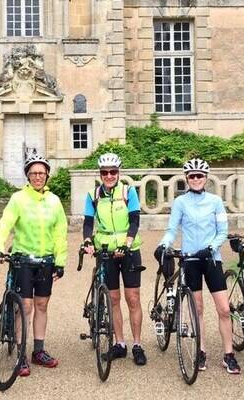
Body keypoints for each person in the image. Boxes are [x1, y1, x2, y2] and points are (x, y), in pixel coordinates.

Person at [155, 159, 240, 374]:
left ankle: (229, 354)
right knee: (198, 308)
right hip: (190, 260)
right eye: (191, 176)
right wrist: (163, 245)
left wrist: (211, 247)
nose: (195, 179)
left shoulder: (215, 201)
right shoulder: (180, 202)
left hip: (211, 259)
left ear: (206, 178)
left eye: (199, 176)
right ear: (187, 179)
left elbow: (222, 231)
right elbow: (172, 229)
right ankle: (201, 350)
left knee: (223, 308)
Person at [0, 150, 68, 377]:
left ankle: (39, 350)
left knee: (42, 305)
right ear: (27, 176)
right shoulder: (18, 199)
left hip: (46, 261)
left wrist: (60, 261)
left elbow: (60, 233)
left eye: (41, 173)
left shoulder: (54, 201)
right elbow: (4, 225)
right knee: (25, 307)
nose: (37, 177)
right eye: (33, 173)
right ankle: (21, 353)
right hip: (23, 259)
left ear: (47, 176)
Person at [81, 152, 147, 365]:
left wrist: (127, 243)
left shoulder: (128, 192)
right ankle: (120, 343)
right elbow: (88, 223)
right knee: (114, 299)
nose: (109, 175)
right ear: (100, 174)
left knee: (133, 298)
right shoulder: (93, 195)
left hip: (129, 250)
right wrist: (88, 241)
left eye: (113, 172)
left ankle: (137, 344)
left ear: (119, 172)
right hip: (106, 251)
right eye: (105, 172)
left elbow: (134, 220)